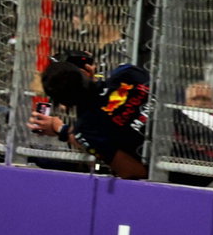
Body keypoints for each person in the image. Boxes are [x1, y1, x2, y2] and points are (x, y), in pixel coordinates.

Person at [29, 51, 151, 180]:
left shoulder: (87, 128)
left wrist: (61, 129)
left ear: (62, 103)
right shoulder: (126, 73)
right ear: (86, 71)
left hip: (159, 162)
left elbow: (133, 172)